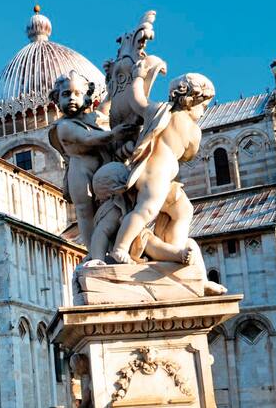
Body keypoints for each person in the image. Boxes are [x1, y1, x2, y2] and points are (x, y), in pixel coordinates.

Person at [108, 73, 215, 264]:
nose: (203, 113)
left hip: (163, 179)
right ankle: (120, 248)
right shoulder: (193, 130)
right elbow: (189, 154)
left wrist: (139, 77)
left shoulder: (158, 110)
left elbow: (137, 101)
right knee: (146, 210)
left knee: (183, 210)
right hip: (154, 174)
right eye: (204, 106)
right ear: (192, 100)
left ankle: (174, 251)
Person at [48, 71, 136, 253]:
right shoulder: (63, 127)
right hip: (81, 175)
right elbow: (89, 138)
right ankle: (93, 253)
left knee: (113, 210)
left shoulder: (93, 117)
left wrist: (114, 82)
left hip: (103, 172)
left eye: (77, 94)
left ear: (87, 97)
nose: (72, 98)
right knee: (85, 214)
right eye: (66, 94)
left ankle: (113, 247)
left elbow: (106, 107)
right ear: (57, 100)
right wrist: (114, 134)